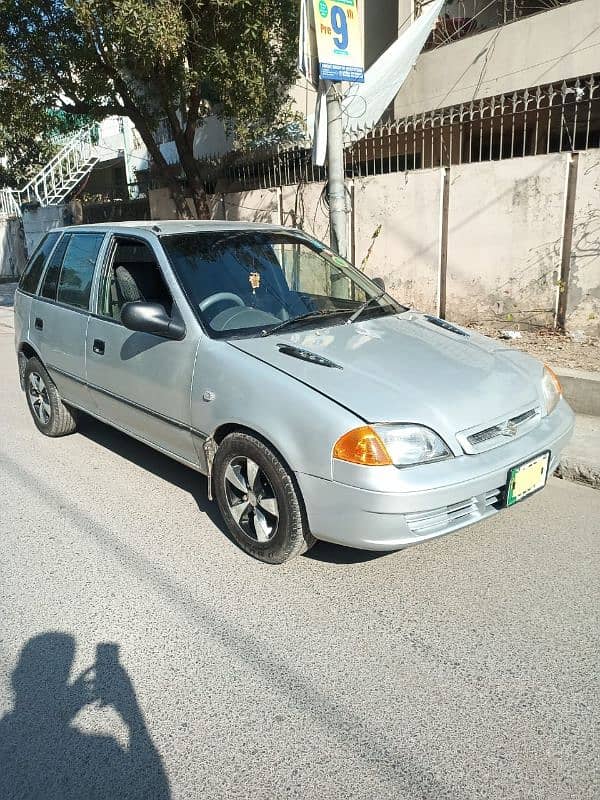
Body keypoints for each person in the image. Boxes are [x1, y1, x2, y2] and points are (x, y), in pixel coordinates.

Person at [0, 632, 170, 800]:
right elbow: (158, 790)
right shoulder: (103, 748)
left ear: (16, 679)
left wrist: (61, 713)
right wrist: (132, 715)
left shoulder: (6, 736)